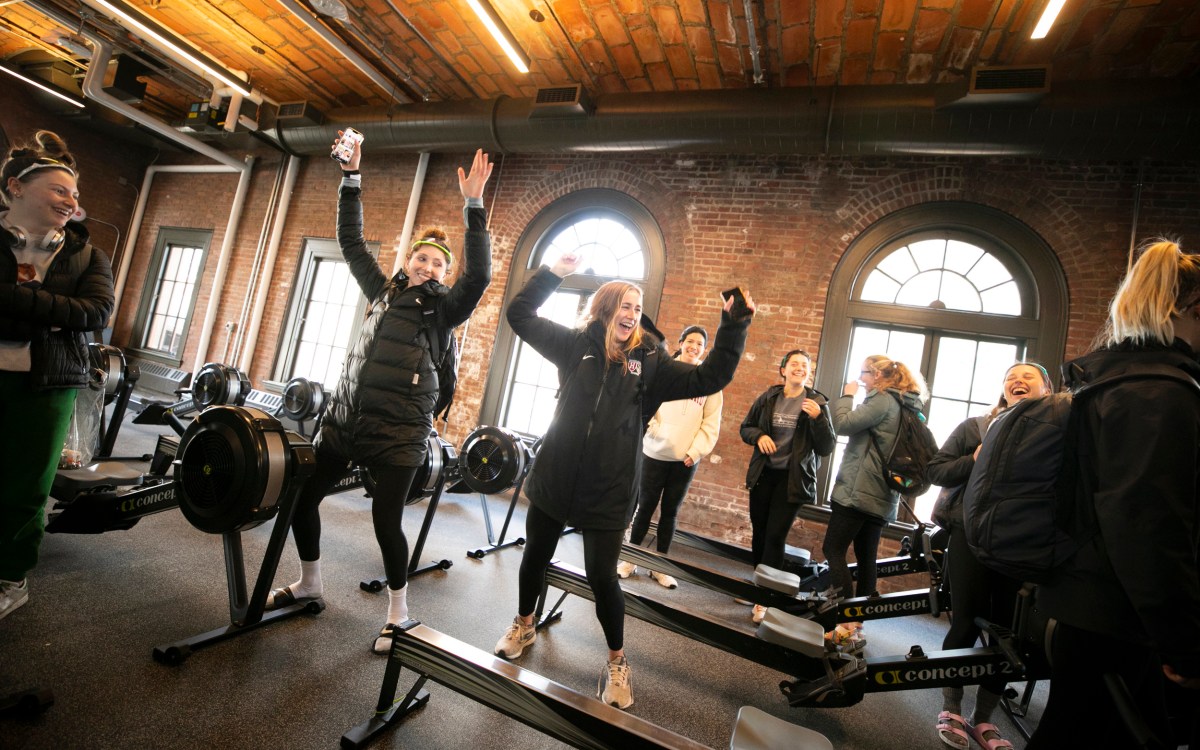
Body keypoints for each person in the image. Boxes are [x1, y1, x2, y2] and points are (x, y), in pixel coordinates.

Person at [493, 258, 754, 710]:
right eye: (624, 305)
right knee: (533, 557)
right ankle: (524, 622)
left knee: (602, 578)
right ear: (605, 309)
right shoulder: (576, 345)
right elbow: (519, 315)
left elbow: (712, 376)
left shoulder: (653, 363)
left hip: (610, 489)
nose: (632, 313)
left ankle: (616, 660)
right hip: (556, 477)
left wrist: (732, 326)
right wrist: (553, 273)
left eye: (637, 306)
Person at [266, 138, 494, 654]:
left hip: (399, 435)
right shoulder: (383, 291)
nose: (429, 267)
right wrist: (352, 177)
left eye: (439, 263)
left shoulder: (443, 311)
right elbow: (351, 242)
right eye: (422, 257)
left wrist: (473, 206)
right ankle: (310, 583)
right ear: (408, 259)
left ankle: (399, 614)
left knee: (385, 522)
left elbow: (478, 275)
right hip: (346, 423)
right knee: (303, 497)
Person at [1027, 239, 1200, 748]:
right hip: (1114, 617)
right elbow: (1149, 529)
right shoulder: (1159, 394)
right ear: (1192, 309)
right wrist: (1185, 643)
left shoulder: (1120, 379)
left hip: (1091, 607)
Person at [0, 131, 114, 620]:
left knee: (26, 488)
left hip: (46, 385)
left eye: (74, 194)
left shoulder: (88, 255)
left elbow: (96, 312)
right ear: (16, 187)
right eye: (59, 190)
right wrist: (52, 310)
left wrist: (13, 298)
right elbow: (71, 311)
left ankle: (9, 577)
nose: (71, 202)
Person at [926, 362, 1054, 750]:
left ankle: (984, 720)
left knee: (1006, 634)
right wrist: (974, 458)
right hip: (970, 536)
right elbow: (936, 470)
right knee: (965, 623)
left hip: (1023, 543)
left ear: (1047, 391)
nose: (1018, 380)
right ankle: (951, 708)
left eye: (1028, 376)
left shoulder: (1056, 435)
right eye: (1011, 377)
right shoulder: (975, 428)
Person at [823, 354, 928, 648]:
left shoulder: (883, 400)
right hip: (883, 497)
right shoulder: (907, 404)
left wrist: (847, 395)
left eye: (864, 374)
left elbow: (842, 424)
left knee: (833, 549)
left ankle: (843, 622)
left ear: (879, 376)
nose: (861, 379)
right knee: (867, 558)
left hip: (858, 492)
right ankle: (857, 625)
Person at [617, 325, 723, 589]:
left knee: (670, 513)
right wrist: (653, 432)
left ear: (704, 349)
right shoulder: (664, 370)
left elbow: (711, 424)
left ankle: (659, 567)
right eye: (690, 341)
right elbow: (645, 404)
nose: (694, 347)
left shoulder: (708, 382)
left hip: (685, 459)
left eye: (700, 344)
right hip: (654, 452)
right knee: (645, 508)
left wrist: (694, 452)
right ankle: (630, 560)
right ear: (681, 342)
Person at [738, 349, 835, 623]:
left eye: (805, 365)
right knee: (759, 532)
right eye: (794, 364)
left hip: (792, 481)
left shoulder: (817, 403)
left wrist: (819, 419)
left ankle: (767, 599)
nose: (800, 368)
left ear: (809, 372)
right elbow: (746, 427)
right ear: (783, 370)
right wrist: (758, 436)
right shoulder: (769, 397)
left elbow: (826, 447)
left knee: (774, 537)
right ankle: (759, 588)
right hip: (764, 475)